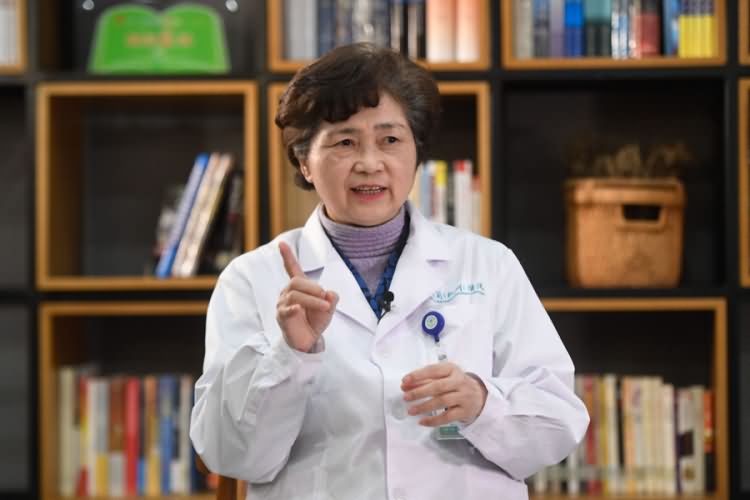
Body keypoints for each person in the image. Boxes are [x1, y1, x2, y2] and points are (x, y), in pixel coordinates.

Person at [190, 43, 589, 500]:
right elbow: (229, 455)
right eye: (344, 142)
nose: (370, 163)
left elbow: (558, 424)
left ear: (416, 153)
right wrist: (290, 356)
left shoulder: (489, 265)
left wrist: (483, 404)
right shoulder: (251, 280)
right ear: (304, 161)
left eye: (391, 140)